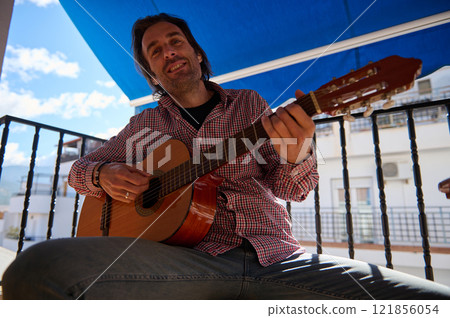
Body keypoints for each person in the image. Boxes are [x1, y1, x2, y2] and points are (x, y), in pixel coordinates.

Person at [2, 13, 450, 300]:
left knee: (427, 304)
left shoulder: (250, 105)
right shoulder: (142, 127)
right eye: (154, 51)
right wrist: (103, 175)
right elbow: (78, 170)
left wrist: (298, 153)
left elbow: (292, 188)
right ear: (152, 73)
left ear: (196, 52)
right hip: (179, 262)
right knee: (40, 268)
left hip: (274, 255)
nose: (167, 51)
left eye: (174, 41)